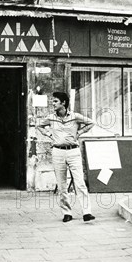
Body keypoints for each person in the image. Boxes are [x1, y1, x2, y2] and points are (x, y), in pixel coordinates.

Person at [36, 92, 96, 223]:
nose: (53, 103)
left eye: (56, 101)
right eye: (53, 101)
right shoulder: (51, 118)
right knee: (62, 185)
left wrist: (79, 132)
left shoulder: (75, 116)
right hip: (58, 152)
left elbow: (91, 123)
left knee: (79, 183)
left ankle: (87, 212)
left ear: (63, 103)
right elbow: (39, 125)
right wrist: (49, 135)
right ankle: (67, 213)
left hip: (73, 151)